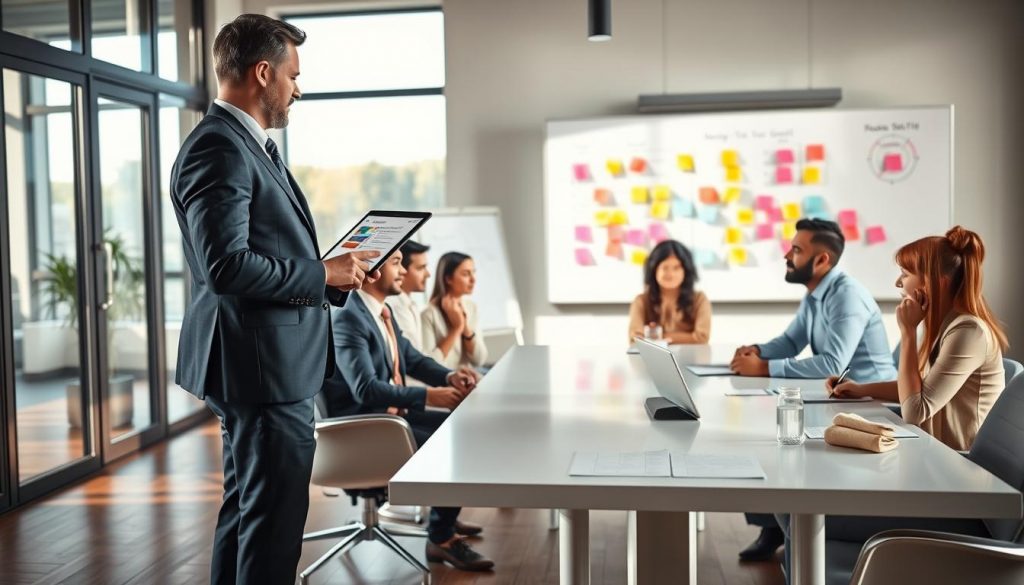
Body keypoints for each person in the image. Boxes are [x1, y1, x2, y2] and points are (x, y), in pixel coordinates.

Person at [170, 15, 380, 585]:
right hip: (261, 371)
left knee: (248, 516)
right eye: (293, 75)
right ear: (263, 73)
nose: (298, 89)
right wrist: (319, 273)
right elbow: (226, 266)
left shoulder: (243, 144)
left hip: (260, 365)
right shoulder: (220, 147)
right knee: (273, 525)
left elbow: (253, 250)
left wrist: (329, 275)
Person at [730, 218, 896, 562]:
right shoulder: (816, 294)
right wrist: (757, 351)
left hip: (872, 407)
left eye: (796, 249)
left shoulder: (846, 296)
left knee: (782, 439)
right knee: (770, 433)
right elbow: (792, 340)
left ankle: (793, 532)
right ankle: (775, 527)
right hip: (839, 398)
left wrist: (764, 368)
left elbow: (832, 362)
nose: (787, 255)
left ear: (822, 260)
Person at [321, 250, 495, 572]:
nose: (402, 272)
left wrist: (448, 376)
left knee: (462, 432)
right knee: (451, 446)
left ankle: (443, 527)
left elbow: (412, 359)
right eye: (397, 263)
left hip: (387, 419)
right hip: (362, 430)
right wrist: (430, 395)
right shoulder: (348, 317)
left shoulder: (380, 312)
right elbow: (365, 389)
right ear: (372, 271)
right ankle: (441, 538)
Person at [828, 226, 1007, 451]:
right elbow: (919, 390)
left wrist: (908, 332)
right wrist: (861, 389)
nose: (898, 283)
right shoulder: (944, 325)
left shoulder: (969, 332)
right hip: (933, 451)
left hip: (959, 463)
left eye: (905, 273)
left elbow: (915, 411)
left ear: (934, 282)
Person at [628, 239, 711, 344]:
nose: (670, 274)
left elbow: (702, 337)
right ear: (654, 269)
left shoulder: (699, 299)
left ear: (686, 270)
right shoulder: (642, 301)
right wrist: (687, 337)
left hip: (691, 359)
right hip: (652, 359)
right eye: (665, 267)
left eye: (676, 268)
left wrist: (658, 336)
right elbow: (635, 339)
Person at [422, 252, 488, 369]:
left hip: (469, 381)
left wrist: (465, 328)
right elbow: (430, 365)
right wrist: (456, 328)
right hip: (444, 384)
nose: (473, 279)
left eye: (473, 272)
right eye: (466, 274)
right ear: (448, 279)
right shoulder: (428, 315)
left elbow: (480, 359)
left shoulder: (471, 307)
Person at [391, 240, 431, 351]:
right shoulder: (394, 307)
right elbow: (413, 353)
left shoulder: (410, 304)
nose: (428, 274)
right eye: (420, 268)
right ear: (401, 270)